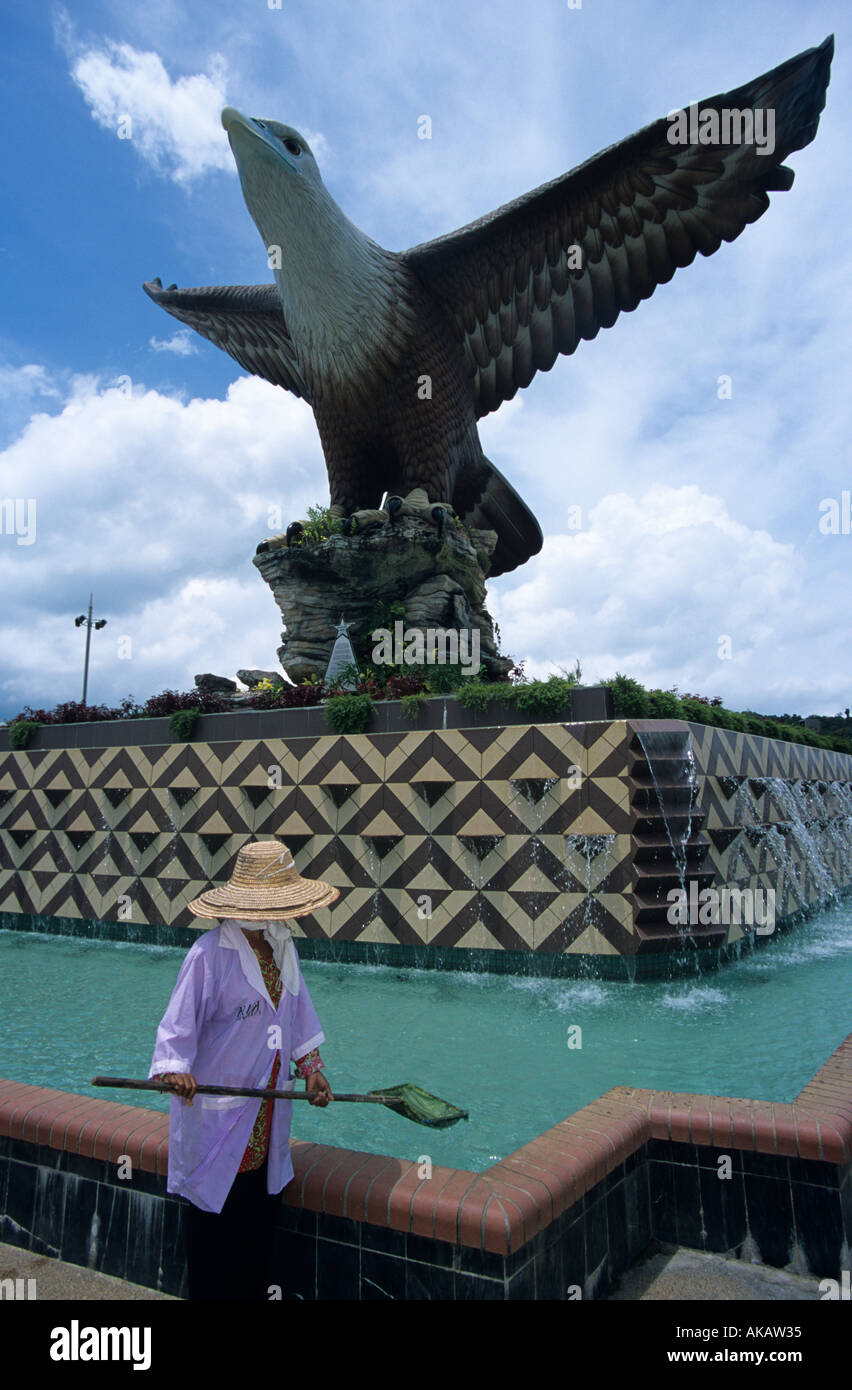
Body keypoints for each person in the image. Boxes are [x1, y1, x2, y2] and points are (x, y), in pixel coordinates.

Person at [149, 839, 339, 1300]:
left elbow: (298, 1016)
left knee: (255, 1247)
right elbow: (176, 1031)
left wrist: (311, 1067)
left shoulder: (283, 950)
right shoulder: (208, 955)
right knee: (214, 1254)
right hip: (218, 1120)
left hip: (266, 1122)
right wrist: (176, 1070)